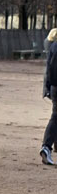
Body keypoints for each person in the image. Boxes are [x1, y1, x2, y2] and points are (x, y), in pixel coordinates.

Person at [40, 27, 57, 164]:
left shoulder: (54, 45)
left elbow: (49, 68)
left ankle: (47, 147)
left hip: (54, 87)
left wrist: (48, 87)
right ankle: (47, 146)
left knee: (56, 116)